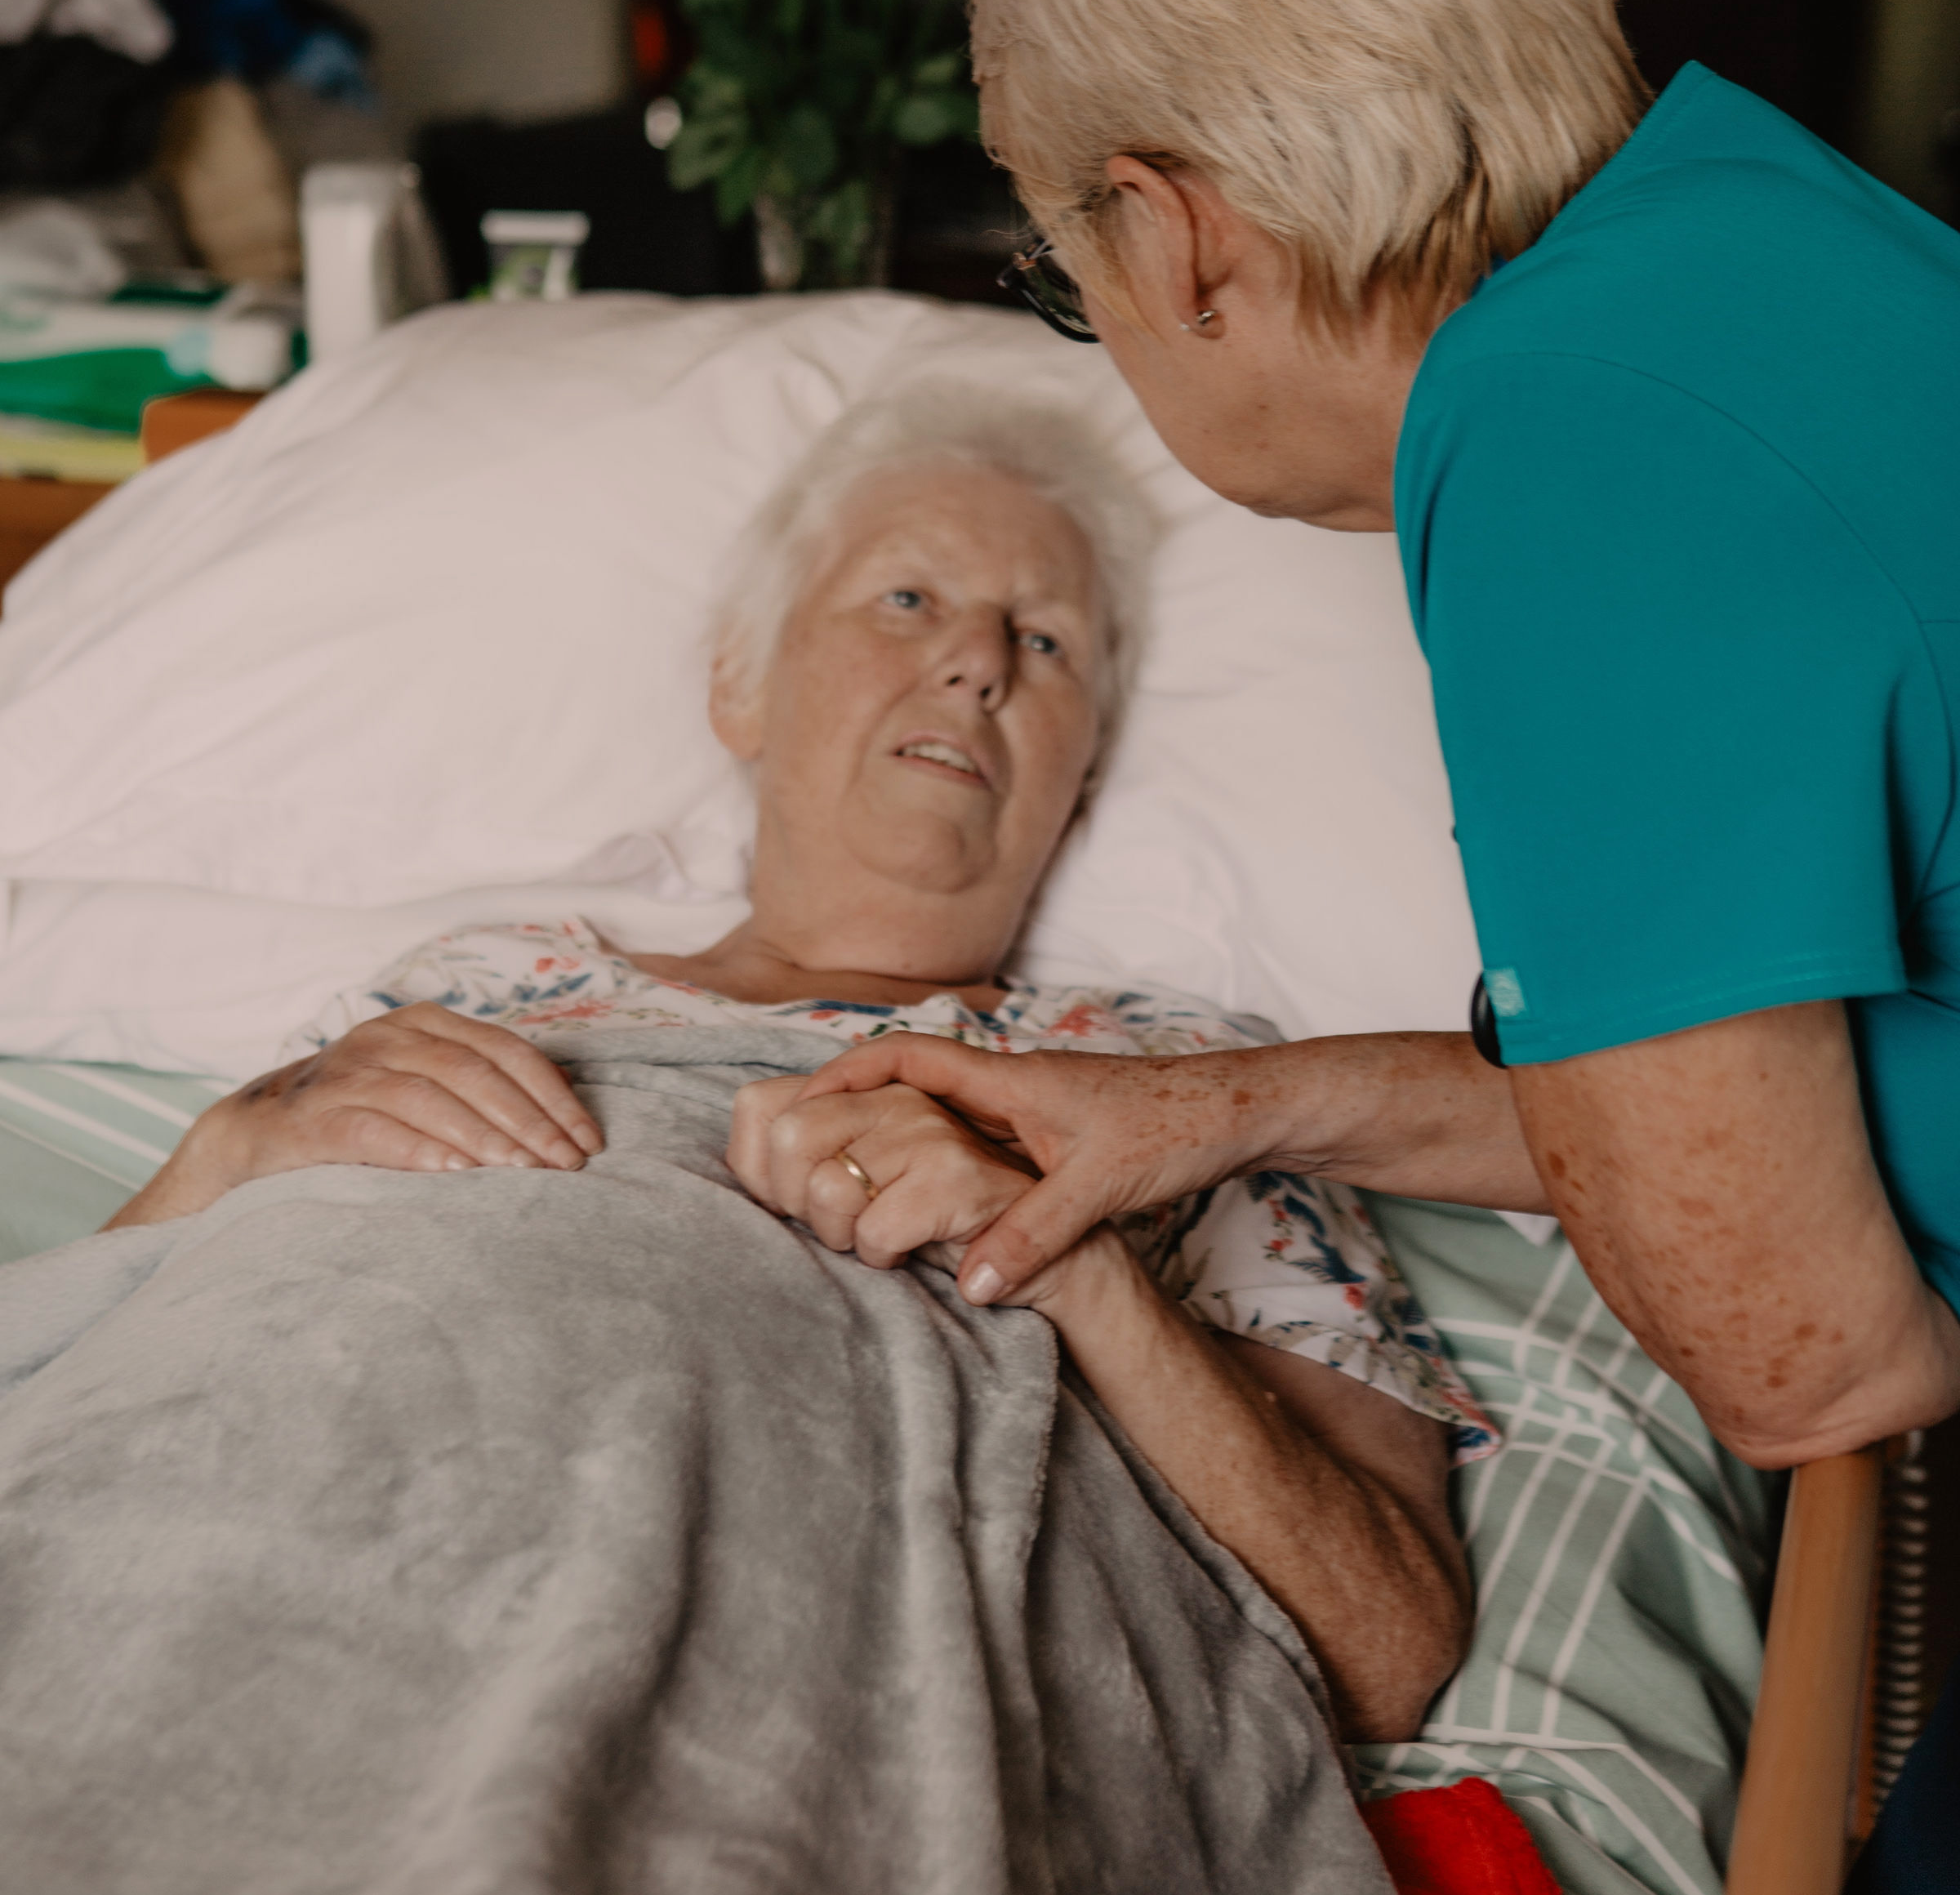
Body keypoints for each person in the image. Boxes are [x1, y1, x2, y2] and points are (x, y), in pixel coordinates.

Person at [725, 0, 1960, 1895]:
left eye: (1076, 273)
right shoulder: (1732, 221)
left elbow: (1803, 1356)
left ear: (1176, 239)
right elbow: (1707, 1081)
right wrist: (1214, 1111)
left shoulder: (1561, 449)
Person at [112, 383, 1481, 1747]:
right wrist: (227, 1150)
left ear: (1084, 775)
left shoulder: (1181, 1082)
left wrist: (1057, 1252)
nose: (978, 661)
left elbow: (1383, 1648)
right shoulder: (469, 984)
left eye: (1046, 640)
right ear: (740, 684)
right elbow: (75, 1369)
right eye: (907, 601)